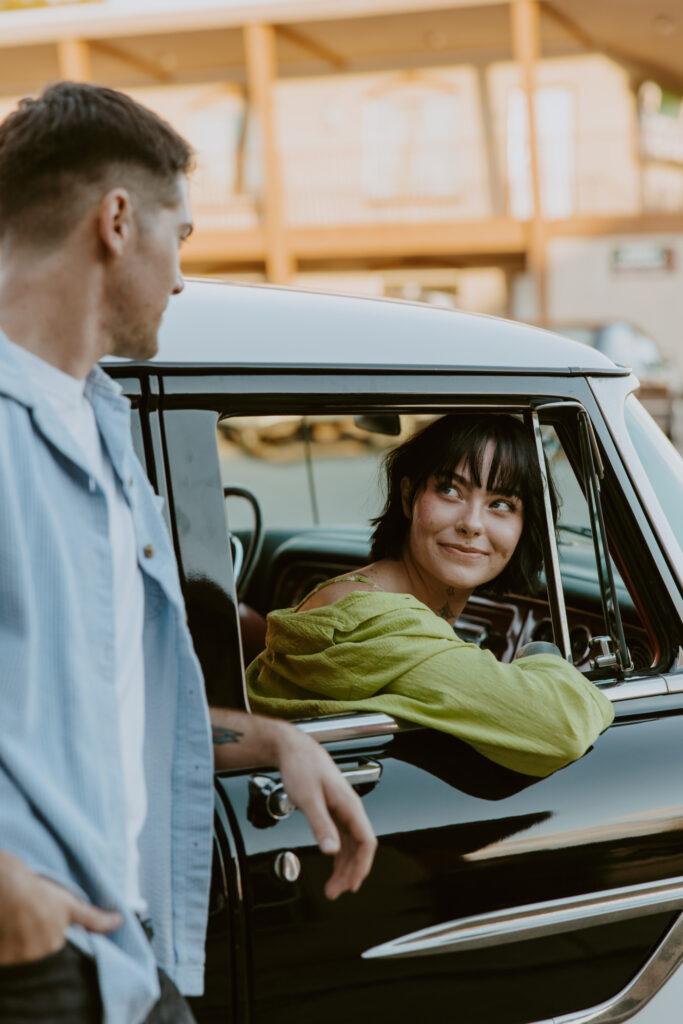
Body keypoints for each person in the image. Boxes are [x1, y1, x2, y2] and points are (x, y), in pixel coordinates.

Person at [0, 82, 376, 1024]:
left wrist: (275, 739)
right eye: (185, 238)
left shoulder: (102, 419)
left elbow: (101, 700)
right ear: (117, 221)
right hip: (28, 955)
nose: (180, 278)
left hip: (126, 951)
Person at [247, 413, 614, 777]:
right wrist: (540, 656)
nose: (472, 523)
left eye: (501, 503)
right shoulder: (376, 621)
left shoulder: (354, 594)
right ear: (409, 497)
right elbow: (562, 727)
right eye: (450, 490)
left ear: (524, 526)